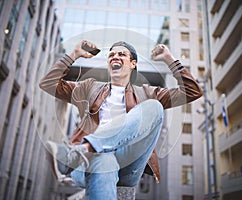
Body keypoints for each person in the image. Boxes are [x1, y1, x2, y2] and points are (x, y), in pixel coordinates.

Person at [39, 40, 202, 199]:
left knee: (155, 107)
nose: (115, 57)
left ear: (133, 63)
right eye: (111, 55)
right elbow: (49, 84)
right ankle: (85, 153)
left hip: (128, 163)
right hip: (88, 165)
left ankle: (81, 151)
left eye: (122, 54)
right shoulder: (88, 88)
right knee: (105, 160)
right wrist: (73, 54)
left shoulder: (147, 93)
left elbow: (192, 91)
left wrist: (169, 59)